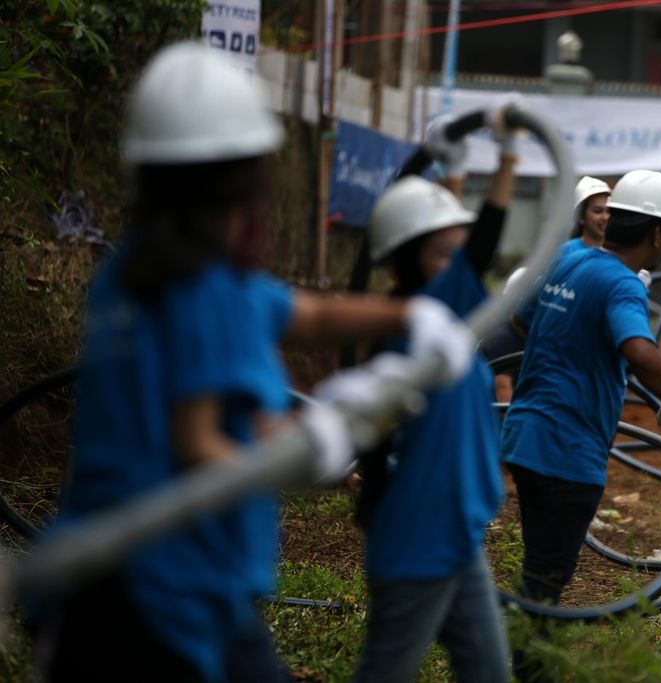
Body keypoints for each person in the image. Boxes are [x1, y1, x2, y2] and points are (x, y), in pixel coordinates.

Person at [29, 43, 473, 683]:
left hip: (116, 584)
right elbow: (196, 446)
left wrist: (411, 316)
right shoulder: (201, 289)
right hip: (162, 600)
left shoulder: (132, 272)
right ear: (247, 175)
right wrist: (307, 451)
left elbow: (310, 315)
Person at [345, 107, 521, 682]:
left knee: (489, 673)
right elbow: (478, 245)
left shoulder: (439, 316)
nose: (456, 265)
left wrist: (454, 167)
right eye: (441, 256)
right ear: (402, 267)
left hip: (456, 535)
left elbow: (454, 240)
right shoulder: (413, 333)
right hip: (420, 543)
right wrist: (508, 157)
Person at [501, 169, 661, 610]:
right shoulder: (623, 284)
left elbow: (520, 320)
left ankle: (520, 652)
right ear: (658, 234)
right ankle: (522, 660)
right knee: (548, 578)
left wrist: (575, 346)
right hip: (568, 451)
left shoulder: (570, 258)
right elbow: (640, 351)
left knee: (539, 565)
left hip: (524, 435)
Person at [484, 176, 613, 403]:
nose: (604, 217)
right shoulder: (567, 253)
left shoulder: (613, 259)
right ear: (581, 217)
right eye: (597, 211)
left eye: (609, 211)